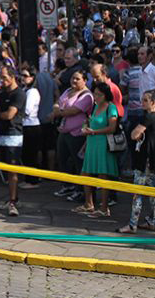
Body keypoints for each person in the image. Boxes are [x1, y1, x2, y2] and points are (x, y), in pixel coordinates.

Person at [72, 82, 119, 218]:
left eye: (99, 94)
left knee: (103, 176)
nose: (96, 97)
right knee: (85, 173)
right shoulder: (95, 106)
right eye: (95, 94)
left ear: (106, 95)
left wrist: (94, 132)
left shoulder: (111, 107)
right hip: (92, 143)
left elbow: (112, 128)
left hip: (103, 144)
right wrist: (86, 127)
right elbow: (91, 122)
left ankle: (104, 208)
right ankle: (89, 204)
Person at [117, 89, 155, 233]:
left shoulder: (148, 117)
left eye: (145, 100)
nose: (142, 103)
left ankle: (132, 224)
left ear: (153, 102)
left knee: (137, 194)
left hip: (144, 162)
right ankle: (153, 221)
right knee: (154, 194)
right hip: (153, 162)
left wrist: (137, 133)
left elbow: (134, 134)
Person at [0, 66, 26, 216]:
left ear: (12, 77)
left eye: (4, 77)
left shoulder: (19, 94)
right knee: (4, 170)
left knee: (12, 170)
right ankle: (12, 198)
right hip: (1, 134)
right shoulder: (2, 93)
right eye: (0, 78)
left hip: (14, 135)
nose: (2, 81)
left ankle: (13, 201)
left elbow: (9, 115)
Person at [51, 71, 94, 202]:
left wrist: (58, 111)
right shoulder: (68, 90)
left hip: (77, 133)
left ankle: (80, 190)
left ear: (85, 80)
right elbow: (57, 102)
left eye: (77, 79)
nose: (74, 81)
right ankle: (67, 185)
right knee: (62, 159)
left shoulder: (87, 96)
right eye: (72, 78)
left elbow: (74, 111)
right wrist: (58, 109)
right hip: (63, 131)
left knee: (77, 162)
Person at [19, 64, 42, 189]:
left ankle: (33, 180)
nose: (22, 78)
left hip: (31, 126)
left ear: (32, 77)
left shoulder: (32, 92)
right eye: (21, 75)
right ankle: (28, 178)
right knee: (26, 154)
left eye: (25, 76)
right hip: (25, 125)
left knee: (31, 154)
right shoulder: (25, 90)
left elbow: (26, 110)